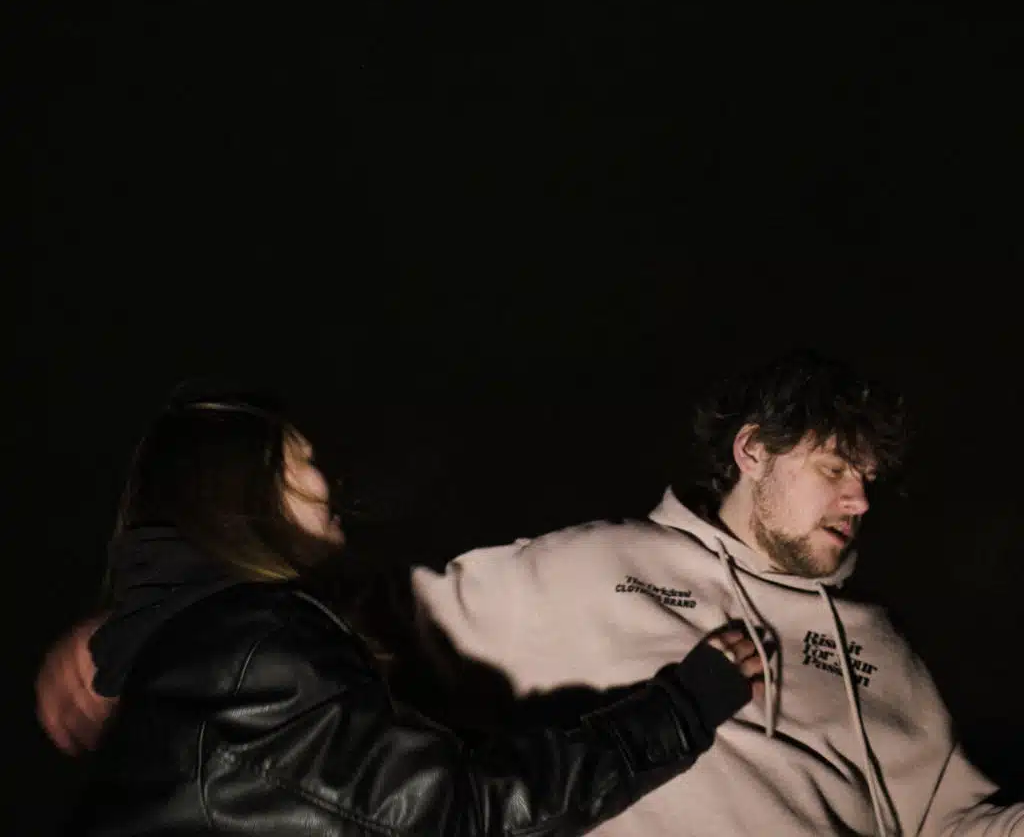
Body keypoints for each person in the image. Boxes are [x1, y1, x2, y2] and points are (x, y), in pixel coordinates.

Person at [41, 351, 1024, 834]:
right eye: (836, 467)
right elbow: (369, 628)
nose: (860, 497)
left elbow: (960, 824)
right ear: (751, 454)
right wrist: (139, 632)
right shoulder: (596, 562)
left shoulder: (882, 646)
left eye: (869, 478)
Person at [40, 385, 764, 836]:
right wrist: (679, 711)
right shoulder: (256, 648)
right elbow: (461, 812)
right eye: (304, 457)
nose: (328, 479)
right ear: (248, 491)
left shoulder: (187, 660)